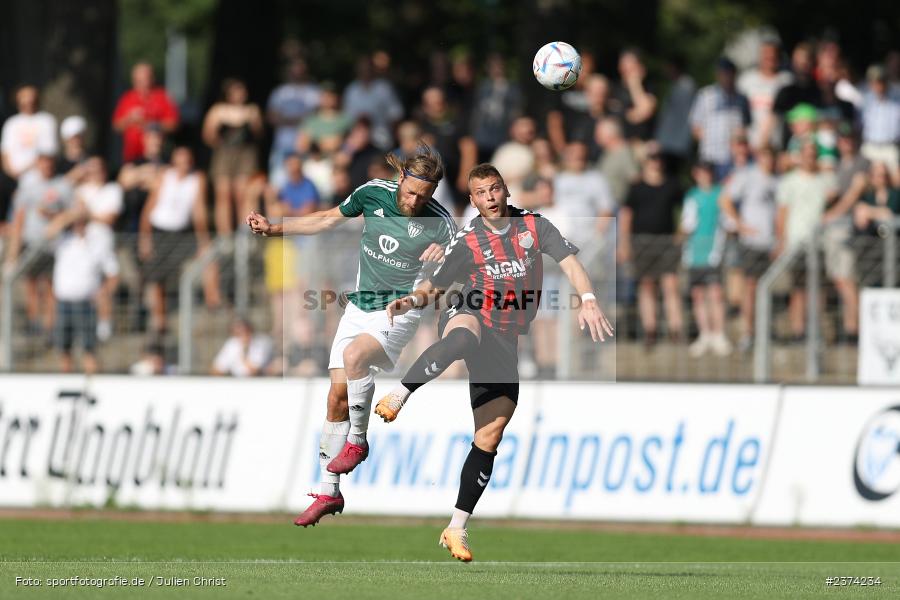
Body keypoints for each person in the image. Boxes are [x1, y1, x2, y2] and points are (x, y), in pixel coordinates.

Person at [373, 163, 614, 561]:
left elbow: (569, 262)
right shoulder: (469, 240)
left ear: (505, 190)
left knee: (490, 435)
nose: (490, 197)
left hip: (506, 335)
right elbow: (436, 287)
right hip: (468, 308)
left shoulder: (535, 227)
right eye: (482, 192)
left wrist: (588, 300)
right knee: (465, 335)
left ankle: (455, 528)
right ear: (473, 201)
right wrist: (410, 300)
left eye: (496, 189)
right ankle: (400, 394)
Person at [245, 145, 456, 527]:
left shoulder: (441, 225)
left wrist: (418, 294)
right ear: (400, 180)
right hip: (359, 308)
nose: (413, 201)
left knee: (356, 358)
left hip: (399, 310)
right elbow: (327, 219)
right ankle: (329, 490)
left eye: (423, 196)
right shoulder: (372, 192)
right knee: (336, 396)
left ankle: (358, 442)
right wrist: (275, 228)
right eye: (410, 191)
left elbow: (442, 286)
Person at [138, 146, 212, 333]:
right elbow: (149, 207)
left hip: (181, 233)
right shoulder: (165, 176)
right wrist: (144, 237)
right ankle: (160, 319)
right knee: (156, 278)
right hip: (159, 231)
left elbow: (199, 211)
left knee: (188, 271)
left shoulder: (197, 179)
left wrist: (203, 239)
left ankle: (211, 304)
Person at [618, 148, 685, 346]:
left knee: (670, 285)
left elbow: (685, 210)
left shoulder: (673, 185)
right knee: (647, 286)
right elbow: (626, 215)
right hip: (642, 242)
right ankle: (650, 329)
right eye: (652, 158)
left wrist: (681, 232)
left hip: (666, 242)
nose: (656, 162)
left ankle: (675, 329)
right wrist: (624, 243)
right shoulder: (636, 187)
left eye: (659, 158)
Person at [3, 152, 73, 335]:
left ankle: (50, 327)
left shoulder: (63, 185)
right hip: (31, 244)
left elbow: (73, 214)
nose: (46, 166)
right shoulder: (28, 187)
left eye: (49, 162)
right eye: (43, 162)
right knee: (32, 284)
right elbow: (19, 217)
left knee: (50, 286)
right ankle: (34, 323)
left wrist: (54, 217)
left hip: (53, 246)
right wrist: (13, 254)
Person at [775, 140, 837, 339]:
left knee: (817, 289)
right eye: (807, 153)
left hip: (818, 243)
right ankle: (798, 330)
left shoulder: (824, 180)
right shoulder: (789, 181)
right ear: (800, 156)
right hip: (796, 241)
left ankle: (814, 330)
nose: (810, 158)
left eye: (813, 154)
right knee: (798, 289)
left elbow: (835, 197)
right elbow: (782, 213)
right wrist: (781, 241)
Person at [719, 146, 779, 351]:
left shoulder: (777, 180)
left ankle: (764, 330)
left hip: (770, 243)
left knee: (767, 288)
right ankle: (749, 332)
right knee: (750, 288)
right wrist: (740, 224)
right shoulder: (748, 176)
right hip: (752, 243)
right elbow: (725, 200)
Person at [46, 206, 119, 374]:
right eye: (76, 223)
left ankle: (93, 385)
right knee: (63, 349)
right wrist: (68, 216)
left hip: (86, 303)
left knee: (89, 349)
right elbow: (48, 232)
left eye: (81, 222)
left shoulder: (97, 243)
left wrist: (103, 293)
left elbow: (113, 273)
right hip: (64, 302)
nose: (78, 226)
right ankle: (66, 381)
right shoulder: (63, 240)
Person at [680, 162, 730, 357]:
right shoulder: (692, 196)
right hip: (694, 254)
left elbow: (727, 219)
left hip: (714, 252)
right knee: (698, 295)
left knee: (716, 294)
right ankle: (705, 333)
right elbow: (687, 223)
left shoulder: (720, 193)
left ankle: (719, 333)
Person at [202, 78, 264, 235]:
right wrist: (220, 141)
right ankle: (225, 234)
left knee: (242, 194)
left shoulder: (252, 110)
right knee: (223, 194)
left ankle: (243, 232)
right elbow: (207, 135)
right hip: (224, 154)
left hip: (245, 155)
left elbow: (259, 134)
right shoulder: (218, 110)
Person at [75, 157, 123, 341]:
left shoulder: (112, 189)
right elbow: (78, 217)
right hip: (84, 246)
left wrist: (88, 214)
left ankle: (104, 324)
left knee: (110, 281)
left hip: (105, 242)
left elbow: (109, 218)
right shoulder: (80, 190)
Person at [689, 57, 751, 181]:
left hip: (733, 159)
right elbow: (695, 127)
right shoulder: (705, 95)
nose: (726, 77)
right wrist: (709, 140)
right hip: (710, 157)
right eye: (722, 73)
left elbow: (746, 127)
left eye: (729, 73)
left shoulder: (742, 98)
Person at [266, 58, 321, 184]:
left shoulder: (314, 91)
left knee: (305, 181)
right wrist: (300, 119)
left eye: (300, 70)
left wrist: (286, 119)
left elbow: (317, 116)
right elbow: (271, 117)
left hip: (306, 143)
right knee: (278, 181)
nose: (297, 73)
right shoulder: (279, 92)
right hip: (282, 144)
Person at [112, 62, 179, 163]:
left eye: (145, 79)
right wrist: (130, 119)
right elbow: (116, 125)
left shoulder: (162, 97)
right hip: (132, 155)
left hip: (156, 155)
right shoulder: (127, 98)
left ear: (152, 79)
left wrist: (148, 124)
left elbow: (174, 124)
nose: (142, 83)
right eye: (138, 80)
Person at [737, 38, 793, 149]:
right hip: (750, 146)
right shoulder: (746, 80)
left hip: (776, 146)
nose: (769, 59)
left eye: (773, 56)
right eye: (766, 56)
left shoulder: (786, 81)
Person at [853, 161, 900, 287]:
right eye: (878, 175)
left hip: (894, 251)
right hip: (872, 252)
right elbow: (860, 216)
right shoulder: (868, 196)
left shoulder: (895, 194)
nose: (881, 179)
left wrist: (870, 212)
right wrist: (878, 213)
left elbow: (889, 214)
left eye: (884, 175)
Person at [342, 56, 404, 150]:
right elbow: (347, 117)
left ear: (373, 69)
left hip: (382, 140)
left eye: (367, 68)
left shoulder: (384, 88)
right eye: (362, 68)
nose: (365, 71)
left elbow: (396, 115)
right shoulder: (351, 90)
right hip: (358, 144)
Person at [860, 65, 900, 172]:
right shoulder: (865, 100)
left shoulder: (897, 100)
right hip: (870, 146)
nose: (877, 85)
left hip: (890, 147)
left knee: (897, 177)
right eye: (874, 82)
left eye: (880, 81)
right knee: (861, 176)